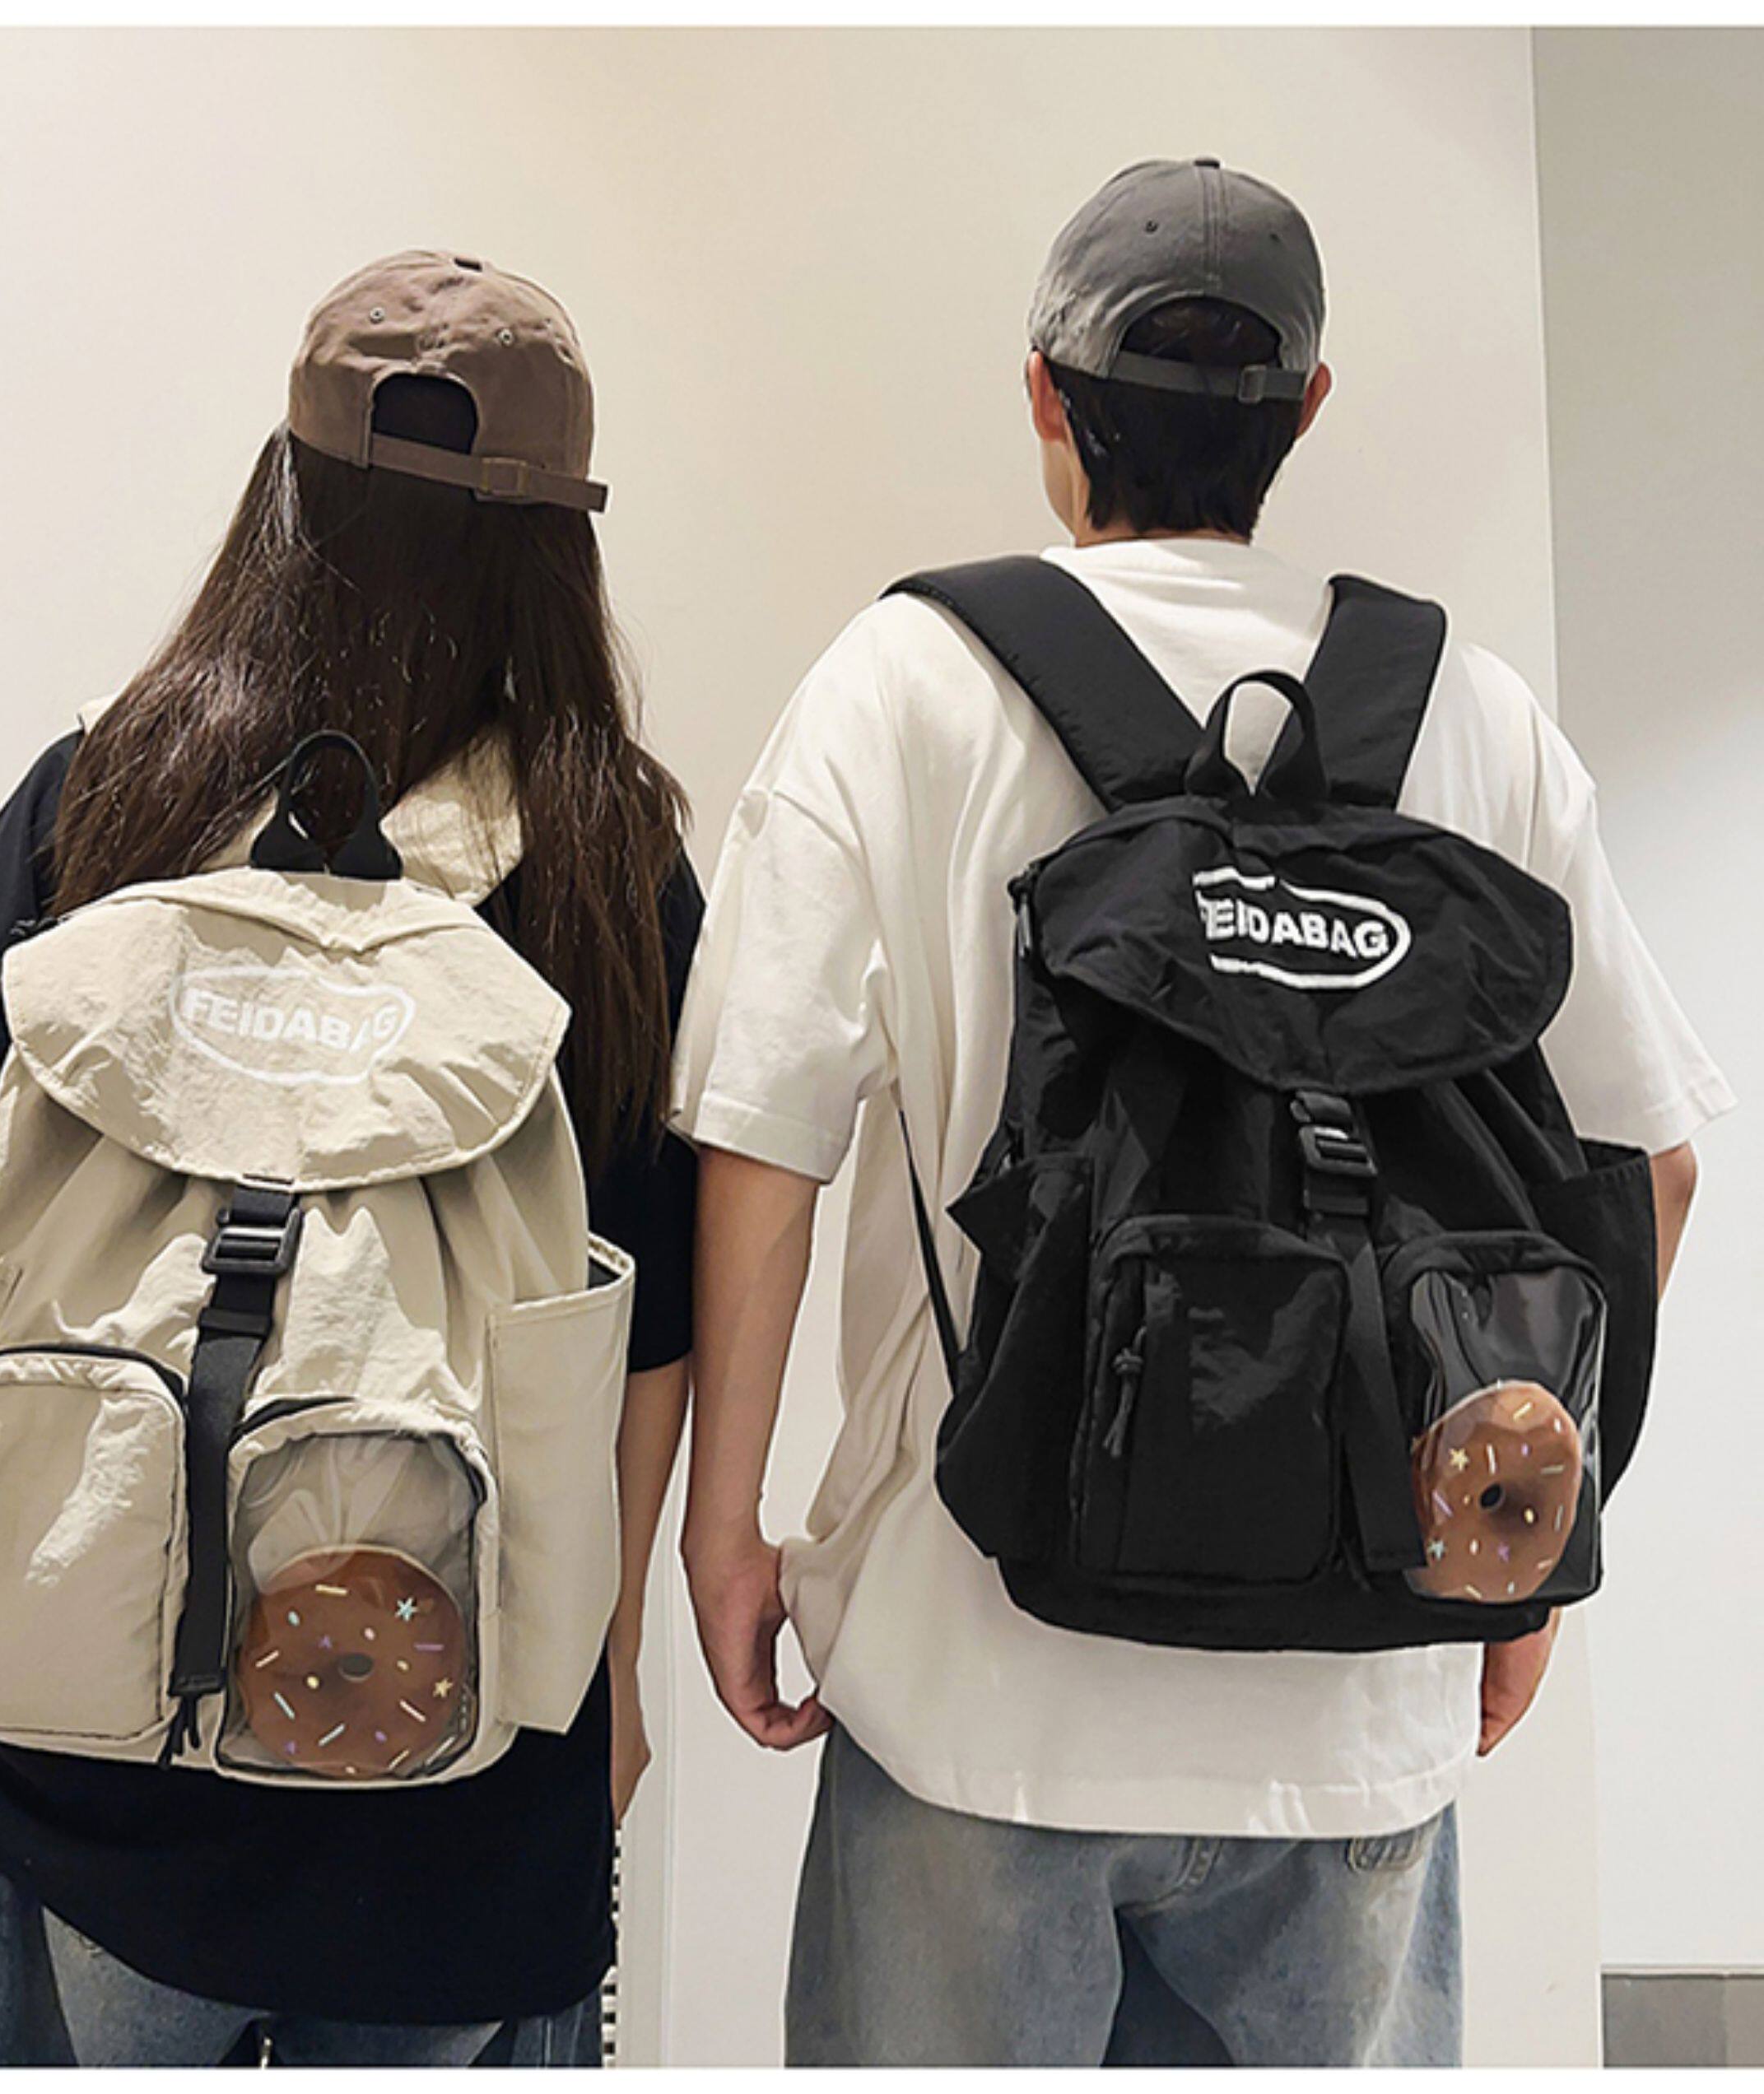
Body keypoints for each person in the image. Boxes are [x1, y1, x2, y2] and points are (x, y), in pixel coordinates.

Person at [670, 159, 1729, 2067]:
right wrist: (1517, 1543)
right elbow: (1647, 1161)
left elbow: (764, 1137)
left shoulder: (904, 681)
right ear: (1304, 408)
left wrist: (721, 1523)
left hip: (976, 1675)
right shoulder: (1466, 709)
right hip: (1361, 1693)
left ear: (1042, 393)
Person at [0, 251, 700, 2068]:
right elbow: (643, 1353)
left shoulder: (108, 801)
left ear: (287, 490)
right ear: (556, 546)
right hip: (458, 1742)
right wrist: (615, 1677)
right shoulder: (611, 867)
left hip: (97, 1748)